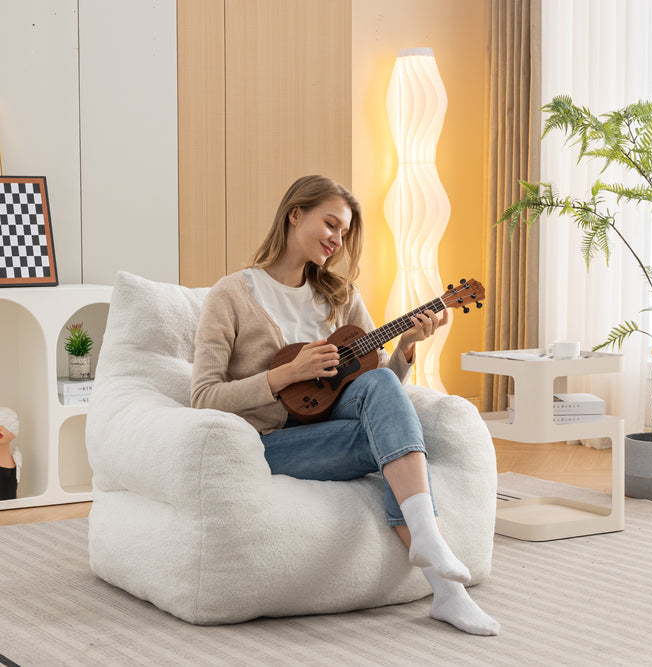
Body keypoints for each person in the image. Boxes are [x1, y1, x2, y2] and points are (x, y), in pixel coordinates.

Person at [191, 175, 499, 636]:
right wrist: (285, 375)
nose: (337, 240)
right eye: (330, 224)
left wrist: (407, 349)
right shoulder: (232, 294)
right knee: (396, 448)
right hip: (274, 443)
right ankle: (445, 578)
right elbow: (203, 397)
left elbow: (381, 392)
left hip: (334, 430)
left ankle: (441, 579)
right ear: (295, 213)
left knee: (384, 403)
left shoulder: (341, 296)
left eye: (344, 232)